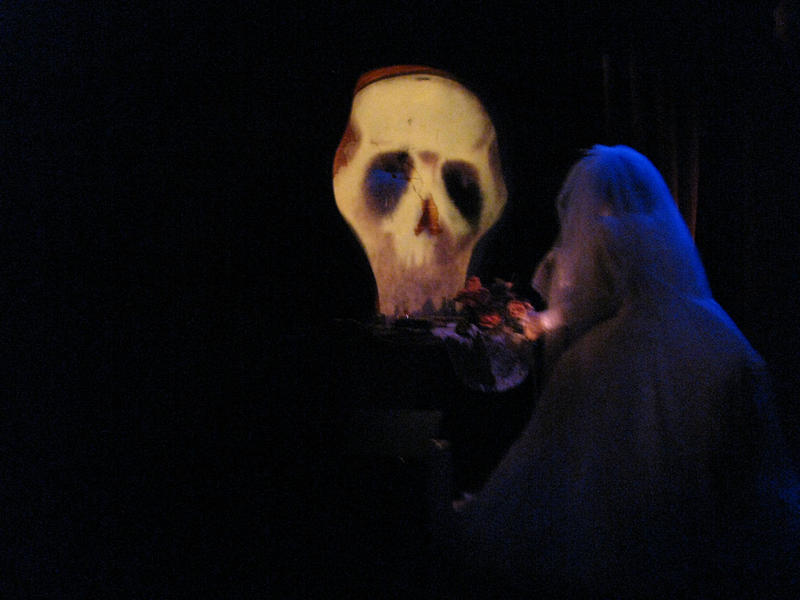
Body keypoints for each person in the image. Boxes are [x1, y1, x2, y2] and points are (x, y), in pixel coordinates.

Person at [446, 145, 800, 598]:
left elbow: (590, 298)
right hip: (696, 324)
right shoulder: (656, 224)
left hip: (631, 333)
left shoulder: (606, 231)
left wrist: (543, 322)